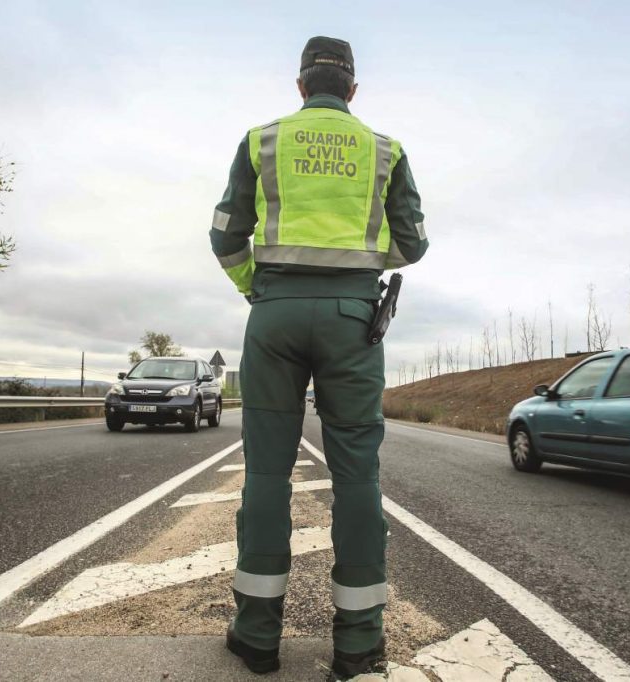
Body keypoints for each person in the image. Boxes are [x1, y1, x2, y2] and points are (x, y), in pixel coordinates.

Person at [209, 36, 428, 678]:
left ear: (301, 86)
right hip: (353, 322)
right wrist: (358, 273)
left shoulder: (262, 141)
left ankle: (256, 636)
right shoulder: (386, 150)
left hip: (273, 315)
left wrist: (262, 286)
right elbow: (412, 243)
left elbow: (225, 235)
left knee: (266, 476)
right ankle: (358, 646)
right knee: (358, 476)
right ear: (352, 90)